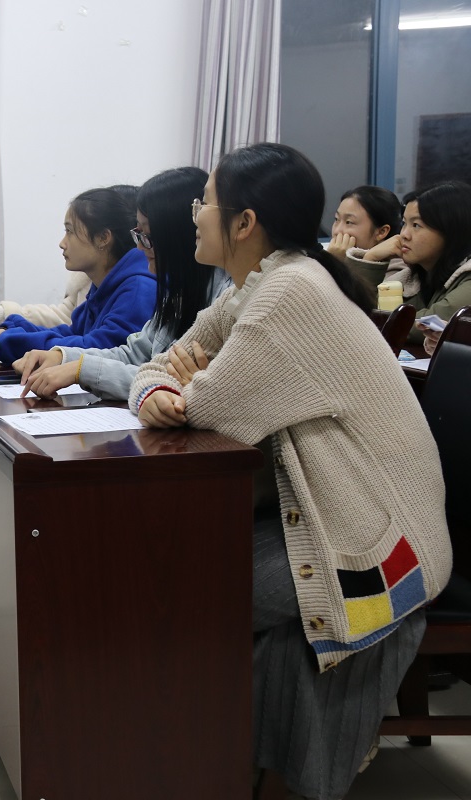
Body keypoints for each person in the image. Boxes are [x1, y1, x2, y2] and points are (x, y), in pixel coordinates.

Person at [127, 143, 451, 800]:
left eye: (204, 203)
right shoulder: (260, 285)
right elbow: (163, 365)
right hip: (329, 512)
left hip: (377, 538)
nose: (195, 216)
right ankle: (206, 753)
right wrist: (159, 387)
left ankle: (197, 757)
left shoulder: (289, 293)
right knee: (170, 572)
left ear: (244, 222)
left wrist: (185, 388)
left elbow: (209, 409)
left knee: (179, 589)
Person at [12, 167, 230, 401]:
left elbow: (168, 378)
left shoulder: (220, 297)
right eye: (138, 234)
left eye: (147, 237)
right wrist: (64, 357)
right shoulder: (179, 292)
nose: (140, 247)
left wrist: (80, 369)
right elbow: (136, 354)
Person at [0, 185, 156, 364]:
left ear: (103, 238)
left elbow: (98, 348)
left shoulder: (138, 289)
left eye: (70, 231)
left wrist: (14, 343)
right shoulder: (105, 283)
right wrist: (13, 330)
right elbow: (73, 333)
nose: (62, 243)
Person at [346, 181, 471, 352]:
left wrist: (366, 319)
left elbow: (416, 324)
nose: (403, 234)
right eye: (404, 223)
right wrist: (371, 258)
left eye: (416, 225)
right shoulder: (417, 275)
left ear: (451, 230)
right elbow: (353, 310)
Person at [324, 185, 403, 289]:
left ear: (381, 232)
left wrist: (336, 264)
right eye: (336, 219)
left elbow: (359, 297)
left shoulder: (398, 269)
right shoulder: (333, 254)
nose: (337, 231)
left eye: (349, 222)